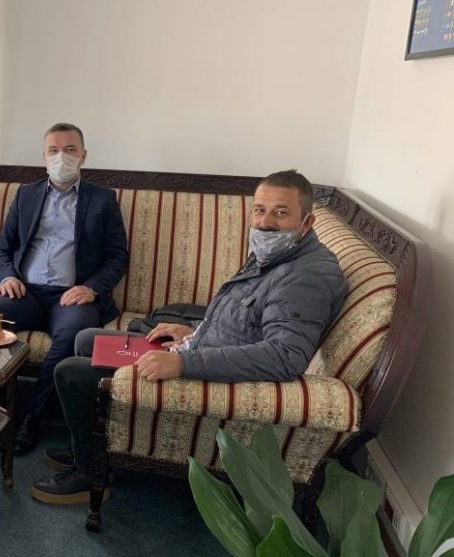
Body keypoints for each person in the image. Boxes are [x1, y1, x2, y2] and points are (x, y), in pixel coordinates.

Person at [30, 169, 348, 504]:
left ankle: (88, 475)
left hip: (205, 372)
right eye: (259, 210)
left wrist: (183, 363)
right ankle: (93, 449)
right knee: (88, 341)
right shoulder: (277, 254)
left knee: (71, 372)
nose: (265, 223)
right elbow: (245, 319)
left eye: (280, 213)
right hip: (200, 347)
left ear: (307, 222)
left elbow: (283, 357)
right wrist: (196, 330)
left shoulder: (306, 276)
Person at [0, 123, 129, 455]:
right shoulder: (26, 194)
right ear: (44, 156)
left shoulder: (103, 200)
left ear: (84, 156)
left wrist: (92, 287)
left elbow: (118, 256)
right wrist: (7, 277)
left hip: (71, 297)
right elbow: (3, 249)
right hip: (25, 292)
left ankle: (30, 417)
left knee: (74, 334)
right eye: (54, 150)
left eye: (70, 150)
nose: (61, 156)